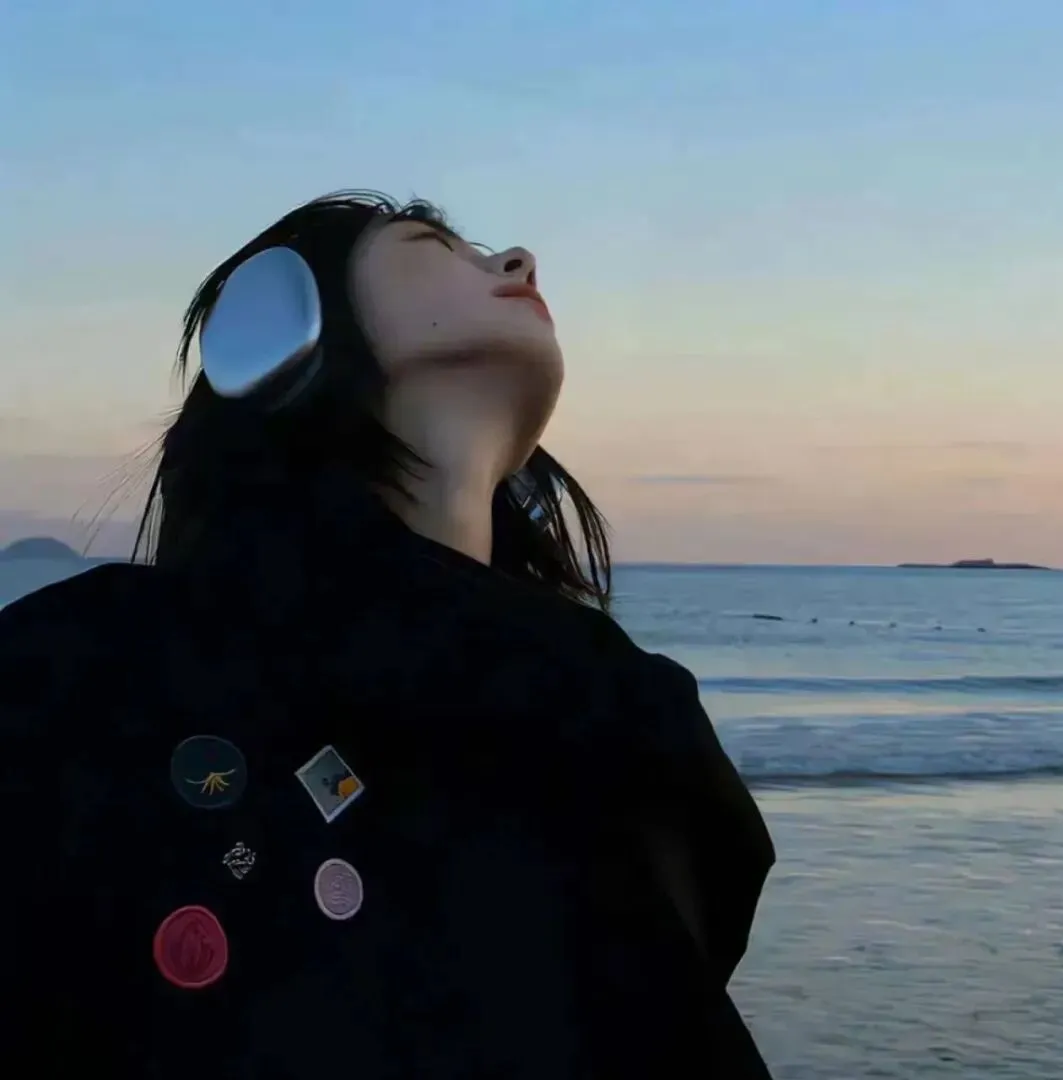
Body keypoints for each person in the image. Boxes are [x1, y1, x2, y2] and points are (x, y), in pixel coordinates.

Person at [0, 191, 776, 1078]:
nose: (518, 260)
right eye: (432, 247)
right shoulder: (85, 666)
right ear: (274, 317)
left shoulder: (609, 705)